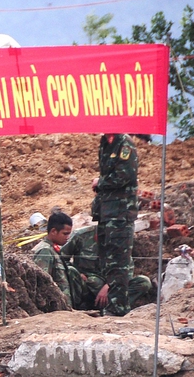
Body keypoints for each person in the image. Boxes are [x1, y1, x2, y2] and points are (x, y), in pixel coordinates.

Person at [92, 133, 140, 316]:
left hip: (120, 213)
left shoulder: (125, 143)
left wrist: (100, 182)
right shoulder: (105, 142)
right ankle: (112, 306)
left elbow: (125, 175)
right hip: (106, 213)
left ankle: (118, 307)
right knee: (108, 260)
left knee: (119, 261)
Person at [62, 224, 154, 311]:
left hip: (112, 287)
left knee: (143, 282)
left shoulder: (121, 240)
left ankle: (115, 307)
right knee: (71, 271)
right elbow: (61, 259)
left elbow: (127, 270)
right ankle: (79, 308)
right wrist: (78, 273)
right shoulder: (81, 235)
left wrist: (109, 285)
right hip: (87, 286)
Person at [30, 212, 86, 309]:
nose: (68, 237)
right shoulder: (45, 251)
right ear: (53, 231)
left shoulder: (53, 249)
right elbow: (42, 283)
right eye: (65, 234)